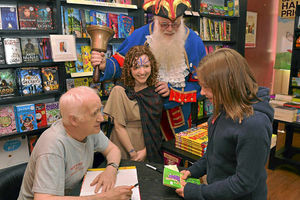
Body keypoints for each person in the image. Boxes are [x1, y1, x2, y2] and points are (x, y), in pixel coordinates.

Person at [91, 0, 206, 139]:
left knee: (174, 156)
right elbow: (121, 63)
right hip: (140, 113)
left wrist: (173, 92)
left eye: (175, 24)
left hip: (177, 117)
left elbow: (202, 86)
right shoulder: (141, 34)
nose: (170, 29)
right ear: (155, 20)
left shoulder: (194, 42)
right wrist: (104, 65)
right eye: (164, 24)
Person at [175, 48, 274, 200]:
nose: (202, 93)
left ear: (227, 86)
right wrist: (192, 171)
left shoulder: (255, 126)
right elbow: (214, 154)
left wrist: (197, 192)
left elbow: (243, 183)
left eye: (207, 87)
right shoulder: (223, 109)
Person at [18, 86, 132, 200]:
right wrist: (104, 197)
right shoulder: (52, 145)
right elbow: (43, 199)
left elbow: (113, 150)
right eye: (94, 113)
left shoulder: (88, 128)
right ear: (74, 120)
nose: (101, 118)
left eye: (100, 110)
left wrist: (111, 169)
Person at [103, 45, 163, 163]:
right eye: (136, 67)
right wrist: (133, 153)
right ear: (129, 69)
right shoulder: (119, 91)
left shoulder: (154, 91)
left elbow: (156, 126)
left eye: (146, 66)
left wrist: (146, 150)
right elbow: (119, 127)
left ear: (152, 67)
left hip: (147, 145)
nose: (142, 72)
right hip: (124, 145)